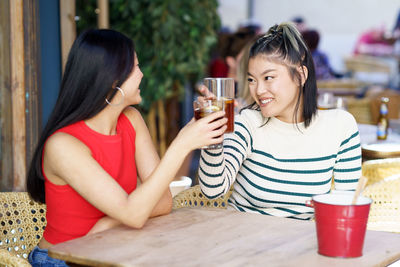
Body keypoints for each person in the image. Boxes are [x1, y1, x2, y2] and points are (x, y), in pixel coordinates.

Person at [26, 29, 227, 266]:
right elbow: (134, 214)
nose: (141, 75)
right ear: (112, 79)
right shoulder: (63, 146)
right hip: (62, 260)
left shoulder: (131, 119)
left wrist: (109, 223)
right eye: (135, 68)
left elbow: (162, 202)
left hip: (113, 247)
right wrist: (182, 144)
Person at [198, 22, 361, 220]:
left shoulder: (340, 126)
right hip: (241, 241)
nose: (258, 90)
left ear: (300, 76)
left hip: (302, 246)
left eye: (268, 77)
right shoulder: (247, 123)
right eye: (251, 79)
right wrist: (213, 138)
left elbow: (345, 205)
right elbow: (213, 191)